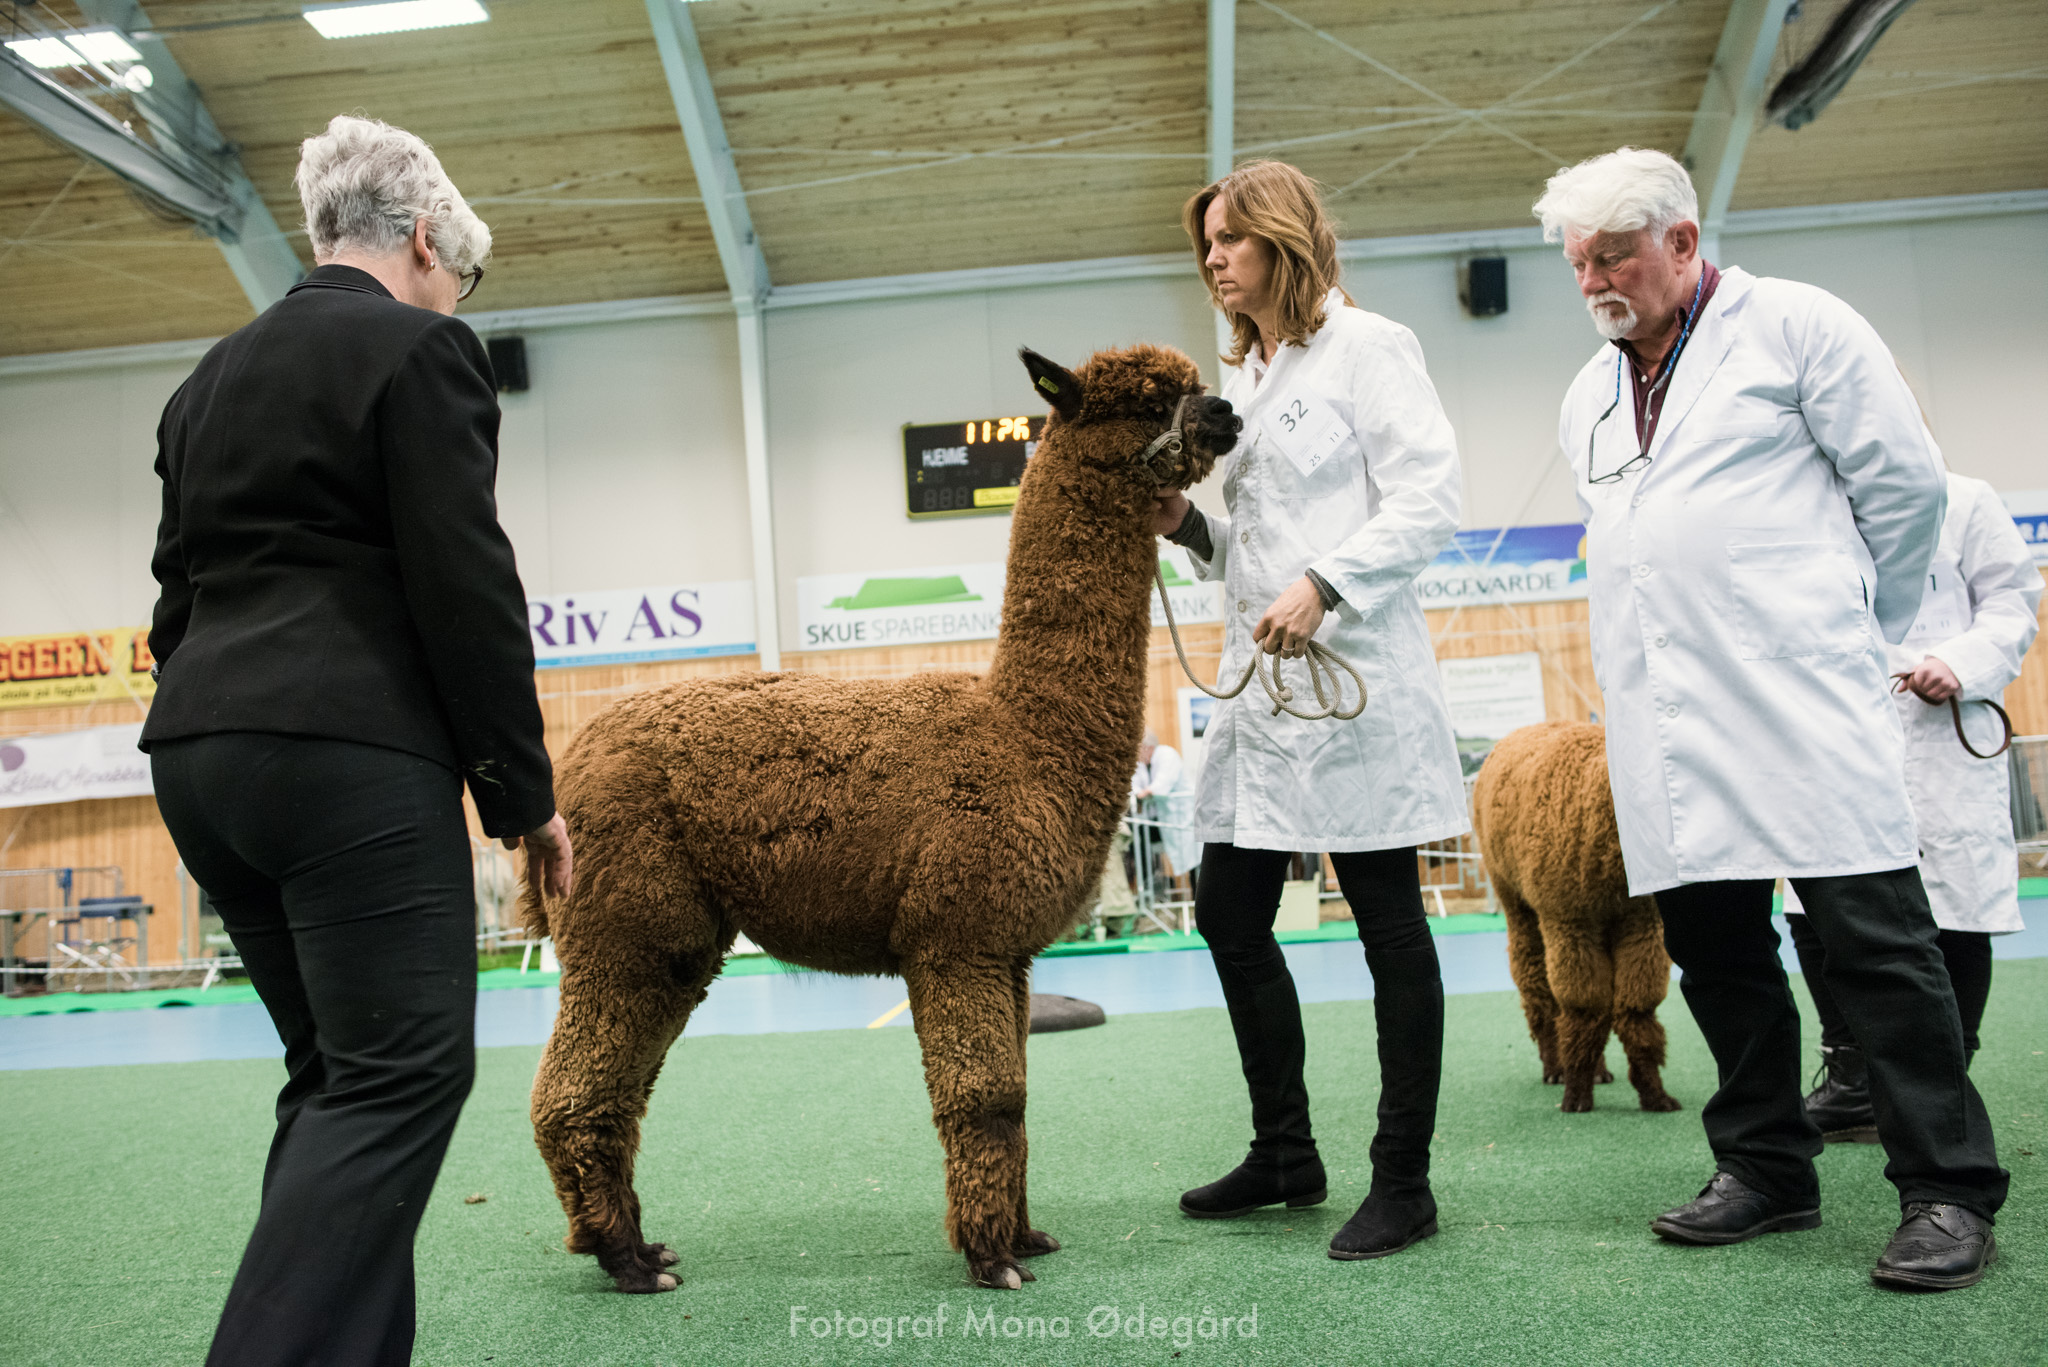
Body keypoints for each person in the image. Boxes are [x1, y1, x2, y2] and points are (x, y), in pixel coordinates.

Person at [1536, 145, 2007, 1291]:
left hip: (1802, 696)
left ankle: (1945, 1188)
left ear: (1682, 242)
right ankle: (1763, 1167)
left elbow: (1901, 491)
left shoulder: (1796, 327)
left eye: (1613, 255)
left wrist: (1850, 631)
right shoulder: (1584, 394)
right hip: (1665, 720)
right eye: (1577, 261)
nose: (1594, 279)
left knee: (1877, 945)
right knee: (1714, 950)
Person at [141, 114, 571, 1365]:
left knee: (334, 1073)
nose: (457, 297)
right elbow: (465, 586)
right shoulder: (425, 351)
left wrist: (221, 721)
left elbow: (175, 598)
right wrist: (522, 796)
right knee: (401, 1077)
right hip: (345, 757)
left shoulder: (202, 380)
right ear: (427, 240)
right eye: (463, 277)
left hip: (200, 759)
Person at [1155, 160, 1467, 1261]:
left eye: (1228, 240)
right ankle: (1284, 1151)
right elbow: (1256, 550)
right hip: (1264, 701)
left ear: (1279, 238)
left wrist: (1329, 584)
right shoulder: (1252, 379)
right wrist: (1188, 526)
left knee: (1389, 927)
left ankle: (1403, 1180)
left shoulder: (1367, 350)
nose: (1212, 259)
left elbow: (1430, 495)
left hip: (1355, 686)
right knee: (1229, 914)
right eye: (1203, 246)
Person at [1790, 467, 2041, 1139]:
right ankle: (1852, 1080)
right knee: (1811, 900)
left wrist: (1961, 659)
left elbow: (2013, 599)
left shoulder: (1966, 499)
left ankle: (1943, 1077)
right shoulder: (1801, 502)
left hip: (1941, 727)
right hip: (1834, 724)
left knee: (1954, 900)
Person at [1132, 729, 1197, 886]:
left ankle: (1196, 898)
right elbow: (1133, 785)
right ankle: (1150, 884)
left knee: (1194, 857)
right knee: (1138, 839)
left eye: (1139, 748)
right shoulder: (1141, 764)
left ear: (1148, 747)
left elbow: (1162, 783)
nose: (1136, 753)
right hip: (1163, 818)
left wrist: (1145, 793)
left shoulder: (1166, 754)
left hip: (1184, 816)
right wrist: (1140, 793)